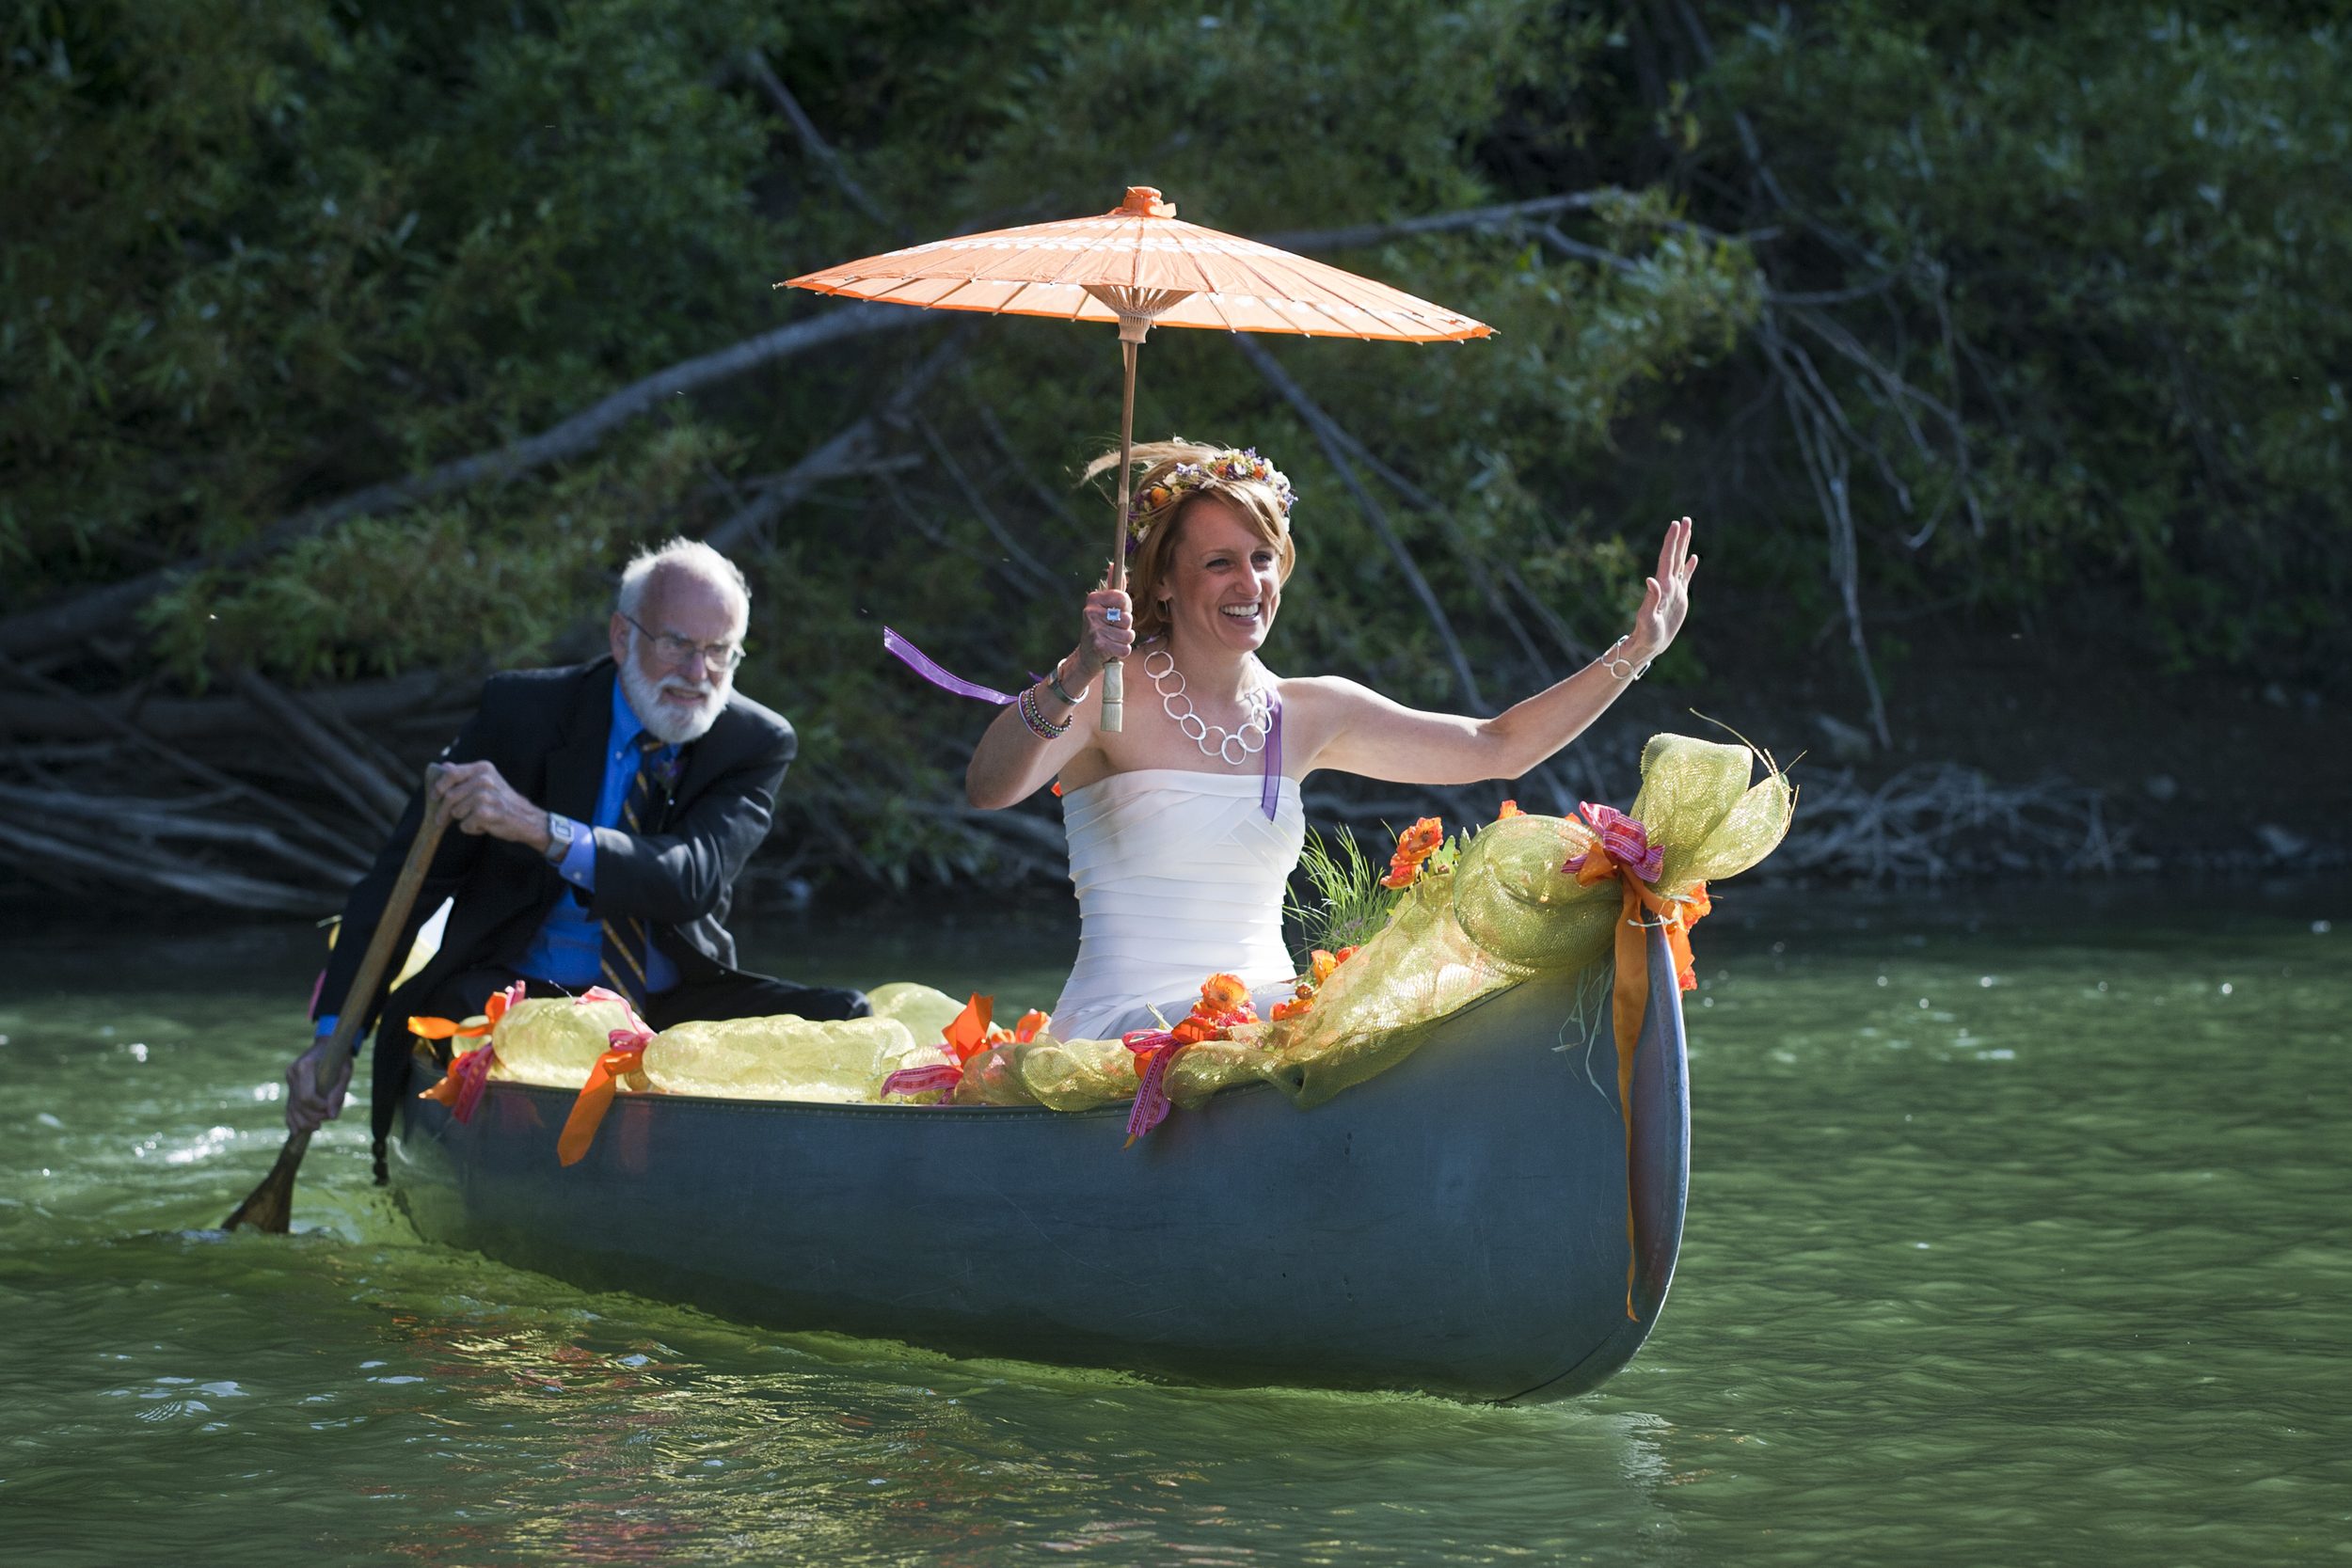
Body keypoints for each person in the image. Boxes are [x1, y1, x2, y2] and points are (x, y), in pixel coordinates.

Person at [965, 441, 1694, 1042]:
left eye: (1260, 557)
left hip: (1270, 1023)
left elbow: (1495, 745)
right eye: (1219, 562)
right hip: (1120, 1033)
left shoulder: (1309, 711)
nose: (1247, 582)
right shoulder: (1104, 691)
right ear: (1160, 584)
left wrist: (1635, 651)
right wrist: (1076, 669)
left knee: (1432, 999)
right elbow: (989, 788)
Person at [283, 539, 867, 1170]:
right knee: (458, 1014)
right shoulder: (520, 714)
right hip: (514, 994)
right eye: (677, 644)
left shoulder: (755, 742)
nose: (699, 674)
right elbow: (406, 880)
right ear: (622, 636)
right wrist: (332, 1040)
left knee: (845, 1017)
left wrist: (543, 829)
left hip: (664, 1004)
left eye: (719, 652)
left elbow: (689, 879)